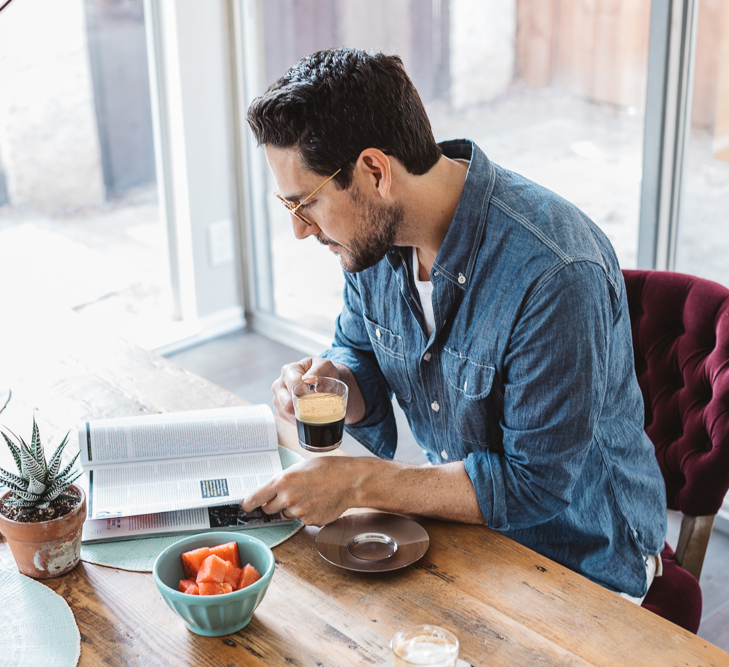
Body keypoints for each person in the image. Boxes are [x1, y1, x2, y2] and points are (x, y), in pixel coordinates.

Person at [240, 48, 667, 602]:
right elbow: (360, 354)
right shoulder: (374, 243)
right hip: (464, 535)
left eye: (307, 204)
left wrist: (358, 483)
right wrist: (335, 385)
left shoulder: (555, 273)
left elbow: (532, 486)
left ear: (375, 171)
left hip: (580, 563)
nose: (300, 230)